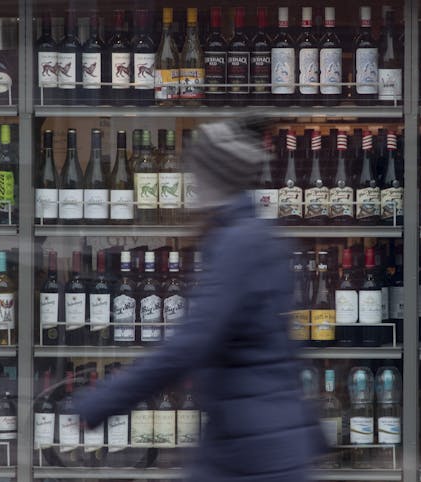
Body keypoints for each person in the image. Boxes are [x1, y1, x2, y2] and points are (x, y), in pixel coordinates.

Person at [74, 118, 322, 481]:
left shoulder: (238, 244)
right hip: (252, 432)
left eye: (194, 175)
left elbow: (192, 342)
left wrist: (103, 401)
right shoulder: (258, 235)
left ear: (211, 180)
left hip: (253, 444)